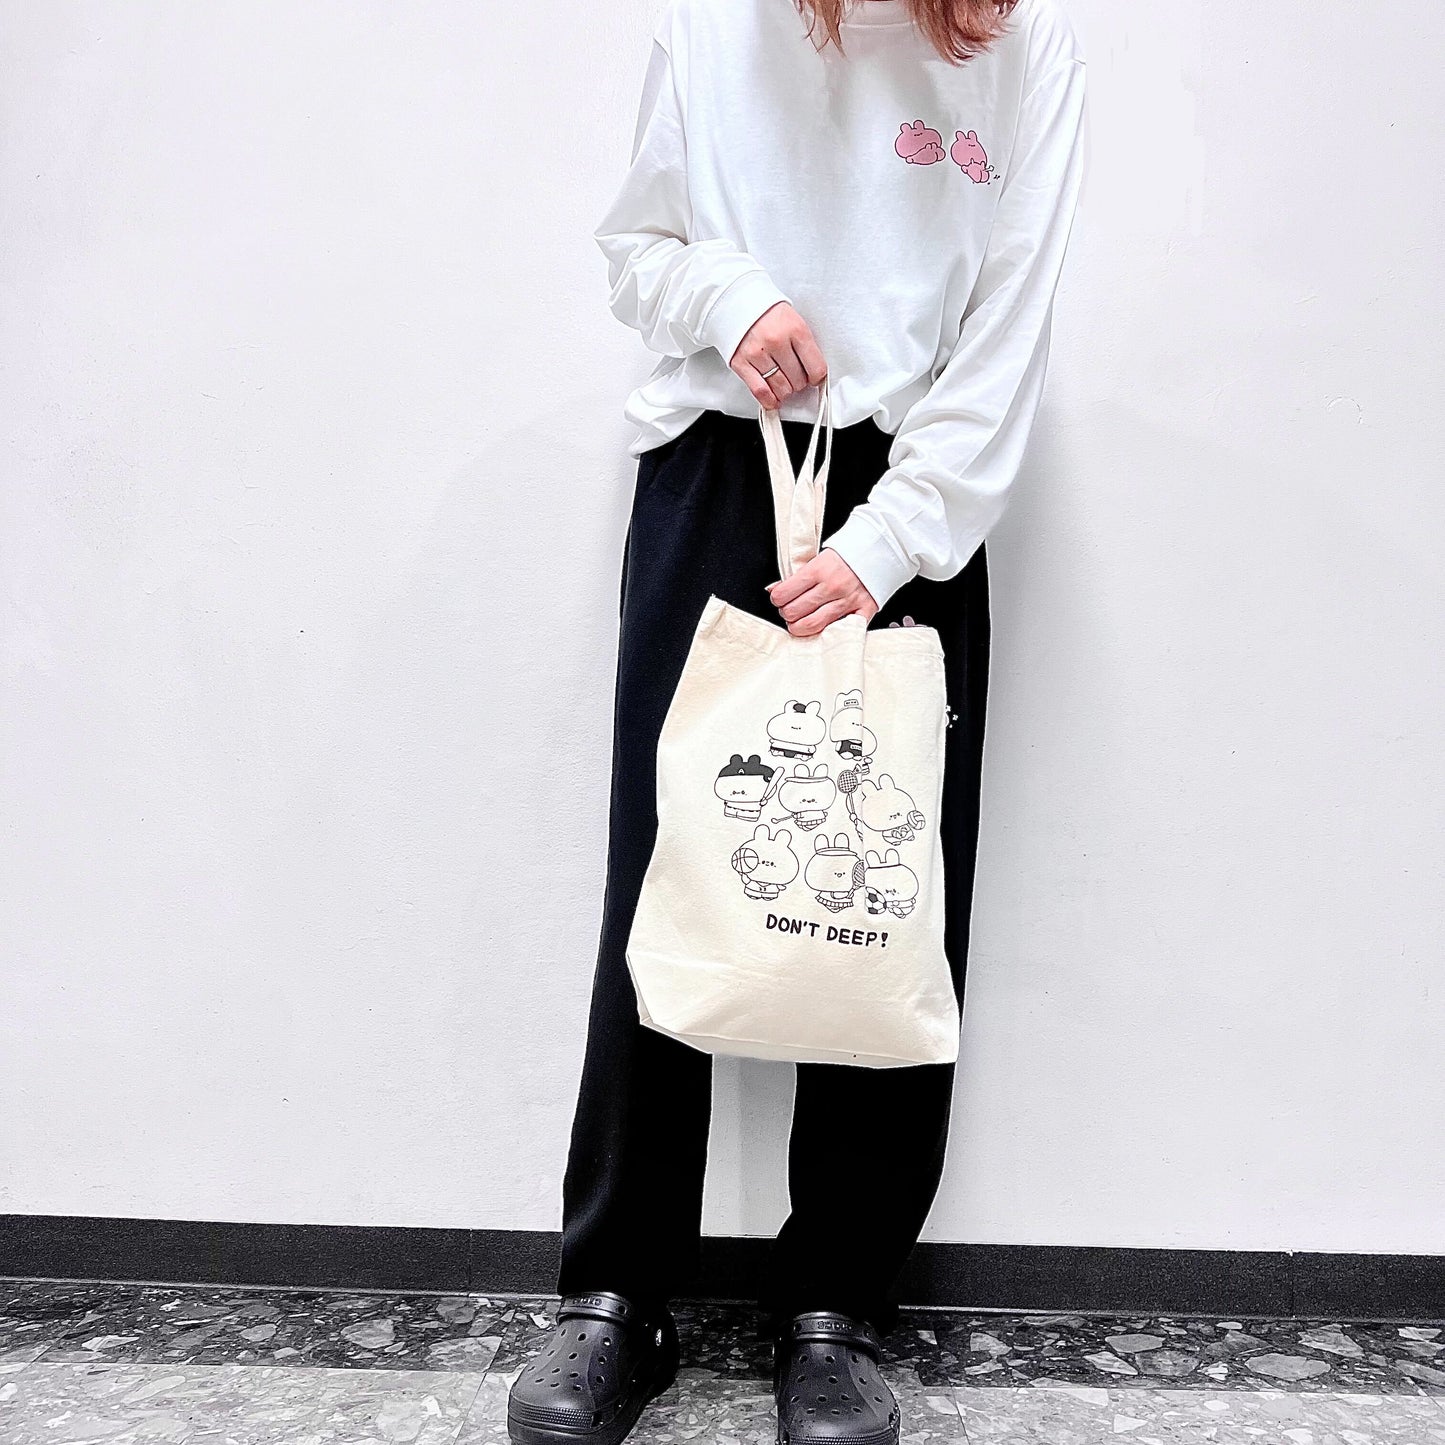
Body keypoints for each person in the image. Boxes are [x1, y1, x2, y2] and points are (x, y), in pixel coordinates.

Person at [507, 0, 1086, 1440]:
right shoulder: (715, 21)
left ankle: (835, 1304)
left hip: (914, 495)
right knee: (667, 872)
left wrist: (887, 545)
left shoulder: (1024, 50)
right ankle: (615, 1293)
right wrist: (731, 300)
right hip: (721, 458)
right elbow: (636, 248)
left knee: (884, 888)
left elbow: (1004, 337)